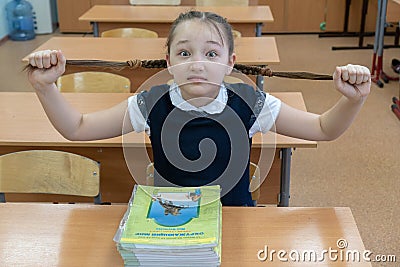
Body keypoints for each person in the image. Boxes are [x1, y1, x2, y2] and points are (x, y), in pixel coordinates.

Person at [26, 11, 371, 206]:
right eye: (185, 53)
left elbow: (325, 129)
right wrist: (46, 87)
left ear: (231, 62)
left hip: (234, 218)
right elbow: (78, 128)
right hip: (171, 224)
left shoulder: (251, 103)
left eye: (211, 54)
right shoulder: (150, 102)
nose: (197, 65)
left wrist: (352, 99)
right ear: (168, 61)